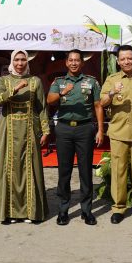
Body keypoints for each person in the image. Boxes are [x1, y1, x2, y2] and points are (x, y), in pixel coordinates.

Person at [0, 50, 50, 223]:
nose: (19, 63)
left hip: (30, 130)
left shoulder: (35, 81)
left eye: (23, 59)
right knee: (7, 168)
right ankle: (8, 213)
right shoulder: (3, 80)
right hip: (8, 130)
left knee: (30, 167)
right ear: (12, 61)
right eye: (16, 59)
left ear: (27, 61)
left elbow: (42, 107)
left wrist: (45, 130)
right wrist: (14, 90)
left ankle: (31, 212)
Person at [47, 49, 103, 226]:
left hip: (85, 129)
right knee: (64, 171)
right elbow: (49, 100)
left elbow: (98, 105)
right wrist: (62, 93)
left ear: (82, 63)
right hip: (64, 129)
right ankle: (63, 210)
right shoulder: (59, 82)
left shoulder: (91, 81)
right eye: (70, 60)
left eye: (77, 60)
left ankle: (86, 210)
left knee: (85, 171)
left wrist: (100, 129)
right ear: (66, 63)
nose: (73, 63)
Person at [99, 45, 132, 225]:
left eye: (129, 58)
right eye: (122, 59)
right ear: (118, 61)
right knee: (119, 172)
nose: (126, 62)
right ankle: (118, 208)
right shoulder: (111, 79)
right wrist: (112, 92)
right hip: (118, 133)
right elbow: (102, 102)